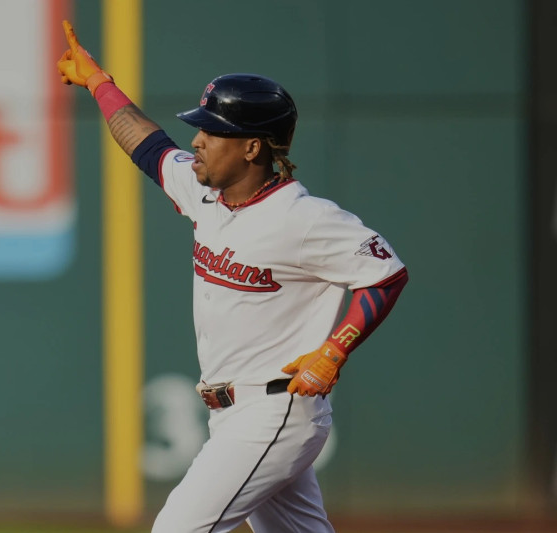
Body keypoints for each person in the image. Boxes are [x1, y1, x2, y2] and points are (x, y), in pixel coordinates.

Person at [57, 20, 408, 533]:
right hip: (233, 412)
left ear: (252, 148)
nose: (197, 141)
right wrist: (97, 82)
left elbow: (386, 273)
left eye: (213, 132)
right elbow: (148, 146)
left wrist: (335, 351)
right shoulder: (205, 194)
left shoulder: (303, 218)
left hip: (275, 409)